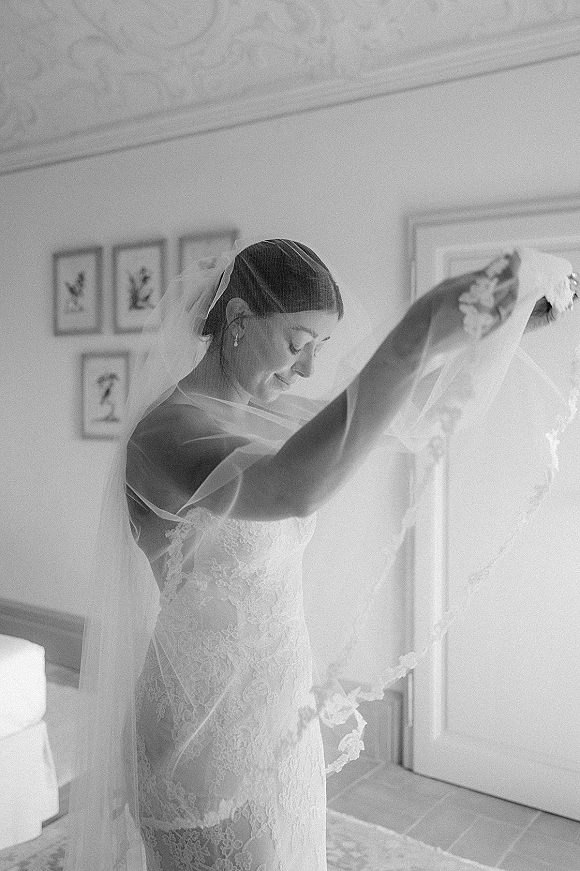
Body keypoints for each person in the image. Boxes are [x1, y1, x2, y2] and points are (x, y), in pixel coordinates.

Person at [65, 239, 577, 871]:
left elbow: (399, 409)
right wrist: (417, 325)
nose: (306, 370)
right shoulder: (167, 434)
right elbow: (298, 488)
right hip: (198, 730)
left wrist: (503, 322)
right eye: (297, 341)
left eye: (318, 349)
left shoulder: (263, 412)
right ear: (240, 319)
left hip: (274, 699)